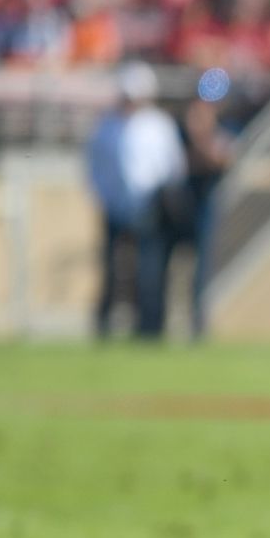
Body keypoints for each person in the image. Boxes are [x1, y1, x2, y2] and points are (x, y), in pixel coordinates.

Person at [86, 62, 185, 340]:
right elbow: (95, 167)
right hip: (115, 207)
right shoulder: (107, 125)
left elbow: (172, 167)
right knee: (110, 269)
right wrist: (106, 198)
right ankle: (104, 324)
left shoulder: (159, 125)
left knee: (149, 270)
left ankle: (150, 326)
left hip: (149, 206)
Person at [168, 67, 236, 340]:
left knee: (202, 263)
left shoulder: (217, 121)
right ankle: (190, 322)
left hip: (204, 194)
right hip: (189, 195)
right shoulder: (193, 120)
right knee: (186, 258)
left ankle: (197, 320)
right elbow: (211, 157)